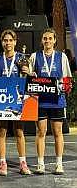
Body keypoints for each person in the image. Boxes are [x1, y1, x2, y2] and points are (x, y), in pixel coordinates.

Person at [29, 28, 72, 175]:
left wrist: (63, 89)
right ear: (42, 40)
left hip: (57, 101)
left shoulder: (62, 57)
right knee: (41, 132)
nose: (47, 41)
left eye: (50, 38)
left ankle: (59, 164)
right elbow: (28, 76)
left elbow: (67, 79)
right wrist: (31, 74)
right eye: (45, 38)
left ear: (54, 40)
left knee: (57, 132)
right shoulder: (35, 56)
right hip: (40, 101)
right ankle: (40, 163)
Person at [0, 29, 31, 176]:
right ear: (2, 42)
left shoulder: (21, 58)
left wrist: (29, 72)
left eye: (10, 40)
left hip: (17, 98)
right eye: (5, 40)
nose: (7, 43)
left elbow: (28, 77)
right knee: (2, 131)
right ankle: (2, 163)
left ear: (15, 42)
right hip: (1, 98)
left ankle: (22, 163)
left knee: (19, 131)